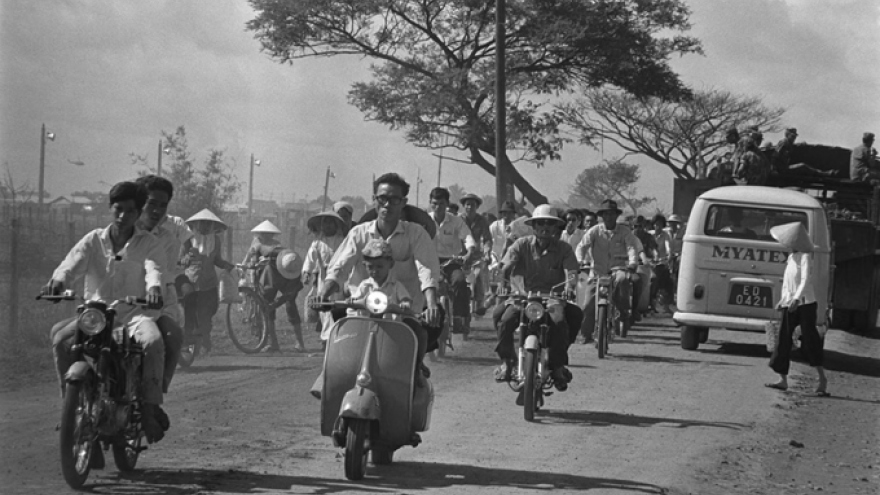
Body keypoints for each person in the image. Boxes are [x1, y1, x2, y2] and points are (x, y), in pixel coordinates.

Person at [45, 181, 169, 444]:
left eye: (131, 211)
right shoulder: (93, 240)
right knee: (60, 340)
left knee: (154, 341)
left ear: (138, 213)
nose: (123, 216)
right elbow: (72, 263)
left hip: (133, 315)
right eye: (118, 209)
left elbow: (153, 268)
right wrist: (59, 281)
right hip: (96, 314)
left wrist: (154, 289)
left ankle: (149, 409)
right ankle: (71, 408)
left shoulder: (148, 242)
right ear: (110, 209)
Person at [317, 172, 443, 368]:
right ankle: (326, 377)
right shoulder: (358, 233)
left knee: (418, 337)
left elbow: (426, 270)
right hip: (360, 313)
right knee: (338, 353)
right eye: (382, 198)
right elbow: (340, 267)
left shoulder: (416, 234)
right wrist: (323, 294)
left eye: (394, 199)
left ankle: (415, 369)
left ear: (403, 202)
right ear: (374, 200)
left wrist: (432, 304)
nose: (387, 205)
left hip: (403, 317)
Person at [494, 204, 581, 392]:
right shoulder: (521, 245)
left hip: (553, 298)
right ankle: (507, 361)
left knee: (563, 321)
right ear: (533, 226)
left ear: (556, 228)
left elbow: (571, 272)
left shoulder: (564, 249)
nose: (544, 228)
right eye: (540, 223)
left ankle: (558, 366)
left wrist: (569, 287)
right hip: (523, 297)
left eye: (550, 224)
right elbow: (506, 266)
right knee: (502, 318)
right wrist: (503, 283)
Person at [135, 175, 189, 393]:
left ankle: (156, 395)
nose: (157, 211)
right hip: (117, 305)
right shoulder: (117, 232)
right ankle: (73, 407)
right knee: (64, 337)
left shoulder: (166, 239)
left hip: (155, 304)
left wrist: (156, 295)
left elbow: (162, 276)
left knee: (172, 335)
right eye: (151, 204)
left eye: (162, 206)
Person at [766, 222, 828, 396]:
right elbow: (788, 283)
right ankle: (782, 379)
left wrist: (796, 298)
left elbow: (805, 280)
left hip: (806, 304)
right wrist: (784, 300)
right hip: (790, 303)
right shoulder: (791, 258)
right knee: (783, 338)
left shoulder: (805, 256)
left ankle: (822, 378)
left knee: (810, 340)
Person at [575, 199, 640, 343]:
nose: (609, 217)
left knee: (623, 280)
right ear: (601, 216)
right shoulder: (594, 231)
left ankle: (623, 313)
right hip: (597, 271)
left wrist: (633, 262)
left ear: (616, 216)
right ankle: (586, 334)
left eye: (611, 214)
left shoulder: (624, 231)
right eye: (606, 214)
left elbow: (631, 247)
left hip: (618, 269)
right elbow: (581, 247)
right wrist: (579, 260)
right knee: (588, 304)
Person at [182, 209, 235, 353]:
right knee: (192, 313)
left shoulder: (215, 241)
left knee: (209, 311)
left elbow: (216, 259)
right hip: (192, 281)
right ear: (196, 224)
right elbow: (182, 259)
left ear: (213, 226)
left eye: (208, 224)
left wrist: (226, 265)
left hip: (209, 282)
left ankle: (205, 339)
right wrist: (185, 259)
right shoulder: (188, 239)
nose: (205, 227)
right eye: (202, 223)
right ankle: (197, 345)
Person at [429, 187, 476, 338]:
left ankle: (458, 317)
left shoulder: (456, 221)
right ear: (430, 203)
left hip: (452, 261)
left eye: (441, 204)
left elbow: (467, 237)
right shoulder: (425, 220)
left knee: (460, 281)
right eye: (434, 203)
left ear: (447, 204)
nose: (438, 207)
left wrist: (469, 252)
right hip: (429, 261)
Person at [302, 210, 348, 343]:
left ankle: (340, 336)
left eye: (330, 223)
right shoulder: (317, 243)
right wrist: (307, 272)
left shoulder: (343, 241)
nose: (327, 226)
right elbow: (310, 258)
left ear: (336, 225)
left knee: (339, 306)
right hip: (324, 278)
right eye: (324, 224)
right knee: (324, 308)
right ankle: (326, 338)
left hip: (340, 278)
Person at [348, 239, 413, 319]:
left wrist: (405, 304)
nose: (375, 271)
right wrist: (352, 301)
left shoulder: (395, 286)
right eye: (370, 267)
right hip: (366, 326)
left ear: (391, 264)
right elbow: (355, 299)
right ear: (365, 266)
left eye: (380, 266)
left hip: (390, 327)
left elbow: (405, 298)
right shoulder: (364, 286)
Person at [258, 247, 306, 352]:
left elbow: (289, 294)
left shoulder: (294, 266)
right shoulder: (273, 255)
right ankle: (274, 344)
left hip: (290, 282)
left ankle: (300, 343)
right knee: (267, 305)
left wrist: (277, 303)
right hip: (272, 275)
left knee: (291, 306)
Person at [460, 193, 492, 316]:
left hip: (477, 255)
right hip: (461, 255)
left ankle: (479, 304)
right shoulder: (458, 219)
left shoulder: (482, 220)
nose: (469, 207)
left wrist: (487, 252)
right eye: (467, 204)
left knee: (479, 277)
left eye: (472, 205)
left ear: (477, 207)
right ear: (464, 206)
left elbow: (487, 238)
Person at [650, 214, 675, 313]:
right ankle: (651, 302)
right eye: (656, 224)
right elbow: (651, 248)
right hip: (649, 264)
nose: (658, 226)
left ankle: (666, 304)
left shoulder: (666, 235)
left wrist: (669, 255)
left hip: (661, 263)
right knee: (653, 279)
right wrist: (652, 257)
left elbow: (667, 246)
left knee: (669, 281)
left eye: (660, 224)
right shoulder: (649, 235)